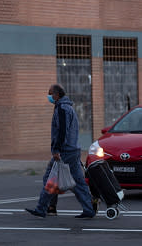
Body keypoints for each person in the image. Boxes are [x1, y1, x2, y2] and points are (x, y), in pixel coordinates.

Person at [25, 84, 95, 219]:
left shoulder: (62, 108)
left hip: (65, 151)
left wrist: (56, 149)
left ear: (57, 95)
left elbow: (62, 131)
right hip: (73, 149)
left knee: (50, 178)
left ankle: (41, 208)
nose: (49, 96)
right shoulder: (68, 107)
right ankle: (88, 209)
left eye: (50, 93)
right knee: (78, 181)